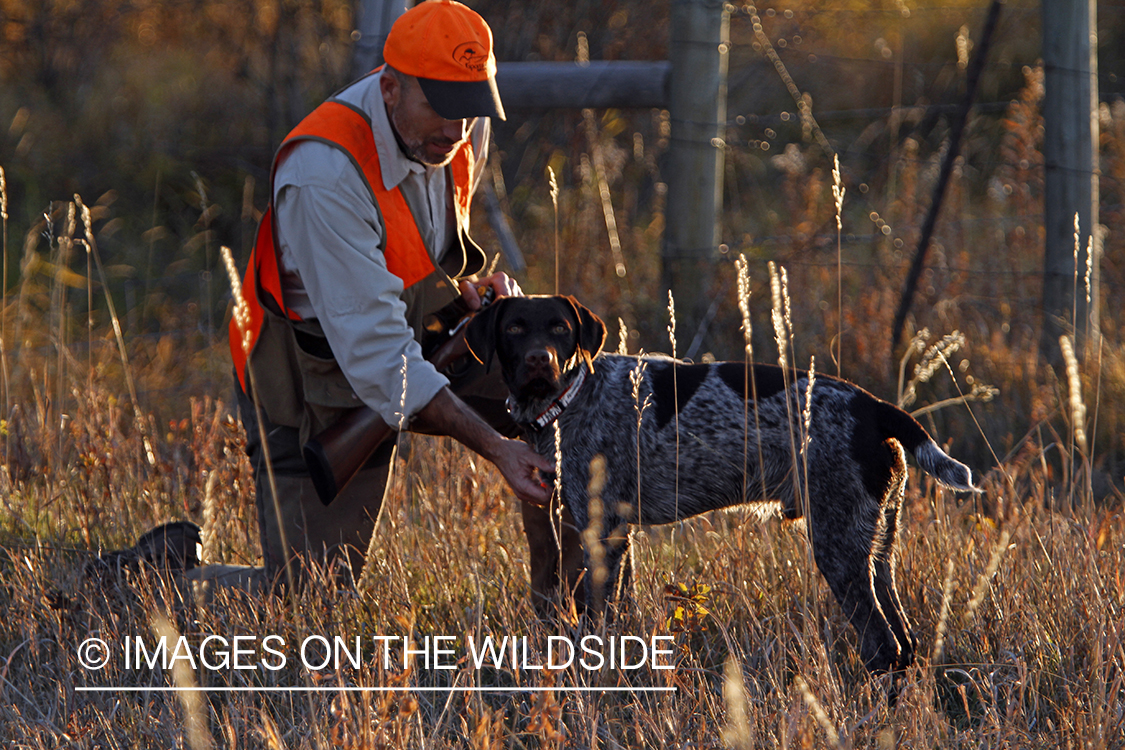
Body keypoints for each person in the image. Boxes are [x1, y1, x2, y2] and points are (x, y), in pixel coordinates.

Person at [183, 0, 583, 608]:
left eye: (473, 109)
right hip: (313, 370)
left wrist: (474, 302)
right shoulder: (323, 175)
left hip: (412, 332)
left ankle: (572, 606)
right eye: (444, 110)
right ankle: (154, 577)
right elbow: (383, 363)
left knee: (578, 410)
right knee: (305, 598)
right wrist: (498, 449)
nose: (459, 131)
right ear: (390, 89)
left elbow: (417, 245)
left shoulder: (458, 119)